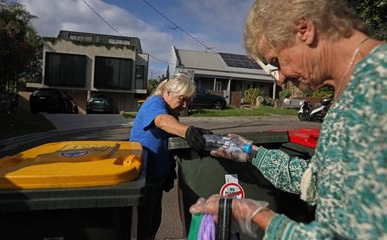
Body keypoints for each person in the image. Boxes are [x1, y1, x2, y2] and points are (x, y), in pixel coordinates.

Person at [190, 0, 386, 239]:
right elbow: (323, 181)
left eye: (276, 62)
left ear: (304, 29)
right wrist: (253, 153)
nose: (280, 79)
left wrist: (257, 216)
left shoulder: (378, 84)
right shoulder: (351, 87)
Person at [130, 73, 211, 240]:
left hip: (156, 178)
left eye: (188, 100)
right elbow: (160, 121)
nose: (185, 104)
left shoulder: (170, 111)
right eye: (182, 98)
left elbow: (165, 138)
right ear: (167, 93)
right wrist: (187, 131)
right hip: (145, 177)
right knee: (143, 226)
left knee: (153, 221)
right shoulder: (155, 103)